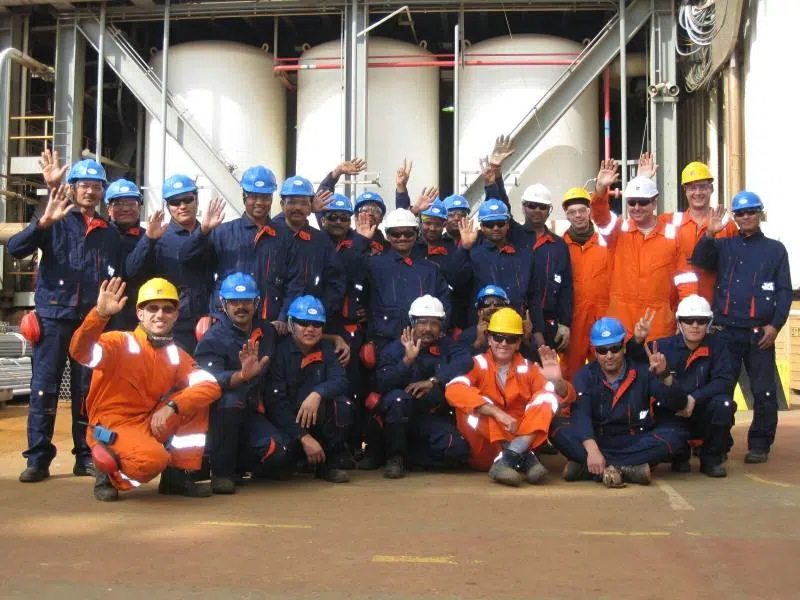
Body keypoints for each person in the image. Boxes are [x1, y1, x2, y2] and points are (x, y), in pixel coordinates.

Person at [8, 156, 122, 483]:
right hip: (53, 318)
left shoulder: (109, 233)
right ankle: (38, 459)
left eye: (96, 186)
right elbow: (15, 248)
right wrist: (42, 223)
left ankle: (85, 456)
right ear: (72, 188)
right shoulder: (54, 218)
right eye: (84, 185)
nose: (90, 191)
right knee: (44, 389)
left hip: (90, 322)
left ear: (103, 191)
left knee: (87, 391)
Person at [70, 277, 222, 501]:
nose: (160, 314)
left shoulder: (174, 354)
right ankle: (109, 472)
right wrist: (100, 315)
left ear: (176, 315)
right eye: (152, 308)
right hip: (112, 424)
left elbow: (210, 385)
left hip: (147, 420)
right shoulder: (118, 342)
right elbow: (80, 351)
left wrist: (173, 406)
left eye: (167, 309)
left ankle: (176, 477)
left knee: (195, 402)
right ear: (140, 314)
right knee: (153, 461)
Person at [691, 191, 792, 463]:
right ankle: (719, 442)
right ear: (734, 217)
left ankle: (760, 444)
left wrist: (776, 325)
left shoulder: (775, 250)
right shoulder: (724, 246)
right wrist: (709, 234)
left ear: (761, 214)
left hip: (760, 334)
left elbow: (784, 291)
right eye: (740, 213)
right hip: (725, 332)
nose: (746, 217)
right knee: (721, 391)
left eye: (751, 212)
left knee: (764, 392)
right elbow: (699, 260)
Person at [551, 317, 691, 488]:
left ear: (624, 347)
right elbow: (581, 415)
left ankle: (591, 468)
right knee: (556, 428)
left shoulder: (643, 371)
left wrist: (665, 375)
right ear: (595, 352)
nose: (609, 356)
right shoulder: (584, 375)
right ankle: (628, 469)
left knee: (676, 434)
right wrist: (592, 450)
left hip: (636, 441)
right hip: (597, 441)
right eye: (602, 350)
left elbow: (678, 403)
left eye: (615, 348)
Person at [445, 308, 575, 486]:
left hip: (521, 439)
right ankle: (522, 458)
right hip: (486, 450)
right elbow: (453, 389)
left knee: (547, 397)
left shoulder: (529, 368)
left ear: (518, 343)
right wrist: (496, 412)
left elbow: (565, 399)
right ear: (489, 339)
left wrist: (556, 381)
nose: (504, 343)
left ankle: (510, 457)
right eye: (498, 337)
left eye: (511, 339)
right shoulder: (475, 364)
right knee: (470, 405)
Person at [178, 166, 302, 334]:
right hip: (226, 323)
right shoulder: (222, 233)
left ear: (271, 198)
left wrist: (283, 317)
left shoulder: (284, 237)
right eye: (253, 196)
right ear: (244, 197)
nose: (259, 202)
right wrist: (203, 231)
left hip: (270, 325)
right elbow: (186, 259)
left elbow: (294, 283)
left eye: (265, 197)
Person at [627, 296, 736, 477]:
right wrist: (638, 340)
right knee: (668, 447)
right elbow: (632, 360)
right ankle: (680, 454)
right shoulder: (662, 346)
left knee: (724, 404)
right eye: (688, 320)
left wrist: (694, 398)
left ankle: (711, 460)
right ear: (679, 323)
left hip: (704, 413)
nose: (695, 325)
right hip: (672, 414)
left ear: (709, 323)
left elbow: (725, 381)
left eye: (701, 321)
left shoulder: (719, 347)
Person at [591, 160, 698, 340]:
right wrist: (601, 189)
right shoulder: (618, 231)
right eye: (632, 202)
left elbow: (685, 279)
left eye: (642, 202)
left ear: (654, 203)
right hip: (621, 325)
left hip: (658, 325)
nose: (636, 207)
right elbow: (600, 215)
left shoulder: (673, 235)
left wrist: (688, 316)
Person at [371, 295, 471, 479]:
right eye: (422, 322)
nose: (428, 329)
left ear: (441, 325)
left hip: (428, 418)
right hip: (397, 419)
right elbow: (382, 383)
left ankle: (411, 457)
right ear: (412, 323)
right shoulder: (395, 349)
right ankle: (395, 458)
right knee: (398, 399)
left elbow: (465, 361)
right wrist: (407, 361)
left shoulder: (447, 346)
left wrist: (434, 381)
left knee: (458, 449)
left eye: (434, 323)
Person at [193, 273, 276, 494]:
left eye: (246, 301)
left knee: (279, 454)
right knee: (231, 400)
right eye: (234, 302)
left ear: (256, 303)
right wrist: (241, 376)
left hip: (253, 413)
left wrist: (335, 339)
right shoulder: (212, 339)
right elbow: (208, 380)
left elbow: (303, 335)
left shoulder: (267, 331)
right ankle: (220, 472)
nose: (240, 307)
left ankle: (238, 464)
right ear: (223, 304)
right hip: (220, 416)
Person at [266, 295, 354, 483]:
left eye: (316, 324)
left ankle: (329, 464)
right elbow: (275, 406)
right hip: (288, 423)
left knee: (342, 404)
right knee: (279, 460)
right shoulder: (279, 355)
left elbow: (341, 380)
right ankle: (299, 459)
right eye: (304, 323)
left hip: (317, 419)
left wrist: (317, 393)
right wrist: (303, 437)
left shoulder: (327, 350)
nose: (310, 329)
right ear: (291, 324)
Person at [126, 174, 214, 353]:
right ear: (167, 206)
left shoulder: (212, 233)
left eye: (187, 200)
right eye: (175, 202)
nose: (182, 206)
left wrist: (214, 313)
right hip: (172, 323)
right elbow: (131, 271)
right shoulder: (158, 237)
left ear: (196, 199)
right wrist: (148, 240)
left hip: (207, 320)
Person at [637, 156, 739, 303]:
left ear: (711, 189)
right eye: (692, 187)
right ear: (685, 190)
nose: (698, 192)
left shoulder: (727, 225)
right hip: (676, 306)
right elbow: (640, 221)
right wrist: (642, 180)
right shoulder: (669, 222)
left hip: (714, 306)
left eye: (702, 186)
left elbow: (736, 269)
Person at [459, 200, 544, 343]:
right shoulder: (473, 254)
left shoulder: (525, 256)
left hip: (516, 331)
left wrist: (538, 331)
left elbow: (534, 295)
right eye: (489, 224)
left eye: (500, 223)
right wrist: (465, 248)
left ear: (508, 224)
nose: (495, 228)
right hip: (484, 331)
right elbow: (457, 282)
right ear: (482, 227)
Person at [367, 208, 451, 351]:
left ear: (416, 234)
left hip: (425, 344)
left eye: (408, 233)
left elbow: (445, 304)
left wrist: (438, 330)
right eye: (396, 234)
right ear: (387, 235)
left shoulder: (430, 269)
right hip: (386, 344)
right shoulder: (373, 265)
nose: (402, 238)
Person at [561, 186, 612, 380]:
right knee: (569, 371)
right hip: (574, 320)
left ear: (589, 211)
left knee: (607, 369)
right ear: (566, 215)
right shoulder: (560, 246)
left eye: (582, 210)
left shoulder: (607, 241)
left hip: (604, 316)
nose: (578, 215)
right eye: (572, 212)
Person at [278, 175, 347, 319]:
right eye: (292, 202)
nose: (297, 207)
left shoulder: (321, 241)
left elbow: (336, 281)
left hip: (311, 321)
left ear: (311, 207)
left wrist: (319, 311)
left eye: (304, 203)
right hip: (275, 321)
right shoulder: (271, 236)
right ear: (282, 205)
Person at [412, 199, 472, 331]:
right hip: (414, 317)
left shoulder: (453, 251)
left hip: (444, 319)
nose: (432, 228)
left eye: (438, 224)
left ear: (444, 224)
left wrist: (465, 248)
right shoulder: (411, 248)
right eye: (428, 223)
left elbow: (460, 282)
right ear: (420, 222)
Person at [105, 179, 147, 332]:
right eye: (119, 204)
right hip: (105, 313)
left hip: (140, 313)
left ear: (139, 207)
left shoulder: (149, 237)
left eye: (131, 203)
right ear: (108, 208)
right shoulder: (99, 235)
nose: (126, 208)